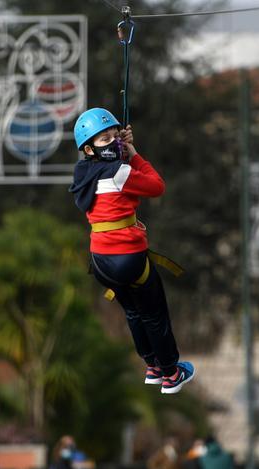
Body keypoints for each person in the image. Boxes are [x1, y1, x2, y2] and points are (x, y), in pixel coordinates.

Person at [69, 108, 194, 394]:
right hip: (128, 258)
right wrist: (134, 153)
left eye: (115, 136)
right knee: (154, 313)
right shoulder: (120, 171)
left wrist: (121, 149)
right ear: (88, 148)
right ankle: (171, 372)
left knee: (134, 313)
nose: (113, 142)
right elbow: (157, 186)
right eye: (105, 140)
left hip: (100, 262)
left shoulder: (83, 173)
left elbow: (107, 169)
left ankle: (151, 364)